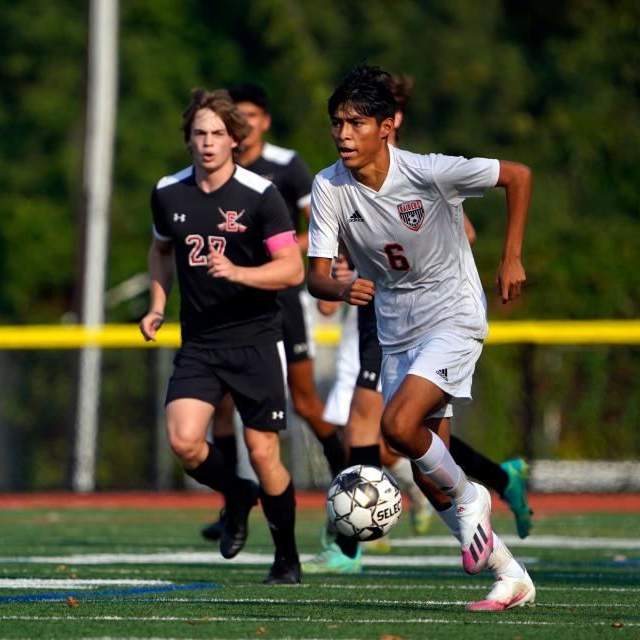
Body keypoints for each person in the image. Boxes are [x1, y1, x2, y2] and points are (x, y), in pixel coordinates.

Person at [306, 63, 536, 610]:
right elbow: (316, 273)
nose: (343, 134)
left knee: (397, 426)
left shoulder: (430, 172)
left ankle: (475, 494)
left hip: (453, 312)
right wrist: (341, 288)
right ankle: (511, 575)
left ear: (387, 127)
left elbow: (518, 175)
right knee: (426, 472)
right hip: (394, 325)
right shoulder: (329, 187)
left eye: (356, 123)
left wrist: (511, 256)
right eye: (337, 123)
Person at [139, 87, 303, 585]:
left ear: (236, 139)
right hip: (201, 342)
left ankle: (287, 557)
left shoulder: (260, 195)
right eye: (199, 134)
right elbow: (161, 251)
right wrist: (158, 305)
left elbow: (291, 269)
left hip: (255, 339)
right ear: (187, 140)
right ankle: (236, 494)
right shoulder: (169, 192)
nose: (208, 142)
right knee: (184, 441)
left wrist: (239, 274)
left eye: (217, 134)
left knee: (263, 453)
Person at [199, 82, 347, 543]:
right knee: (220, 409)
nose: (242, 127)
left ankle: (352, 490)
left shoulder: (286, 166)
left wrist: (281, 257)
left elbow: (319, 227)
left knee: (304, 401)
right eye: (234, 119)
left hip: (279, 299)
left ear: (263, 120)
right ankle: (233, 507)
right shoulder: (218, 167)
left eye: (250, 117)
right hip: (227, 306)